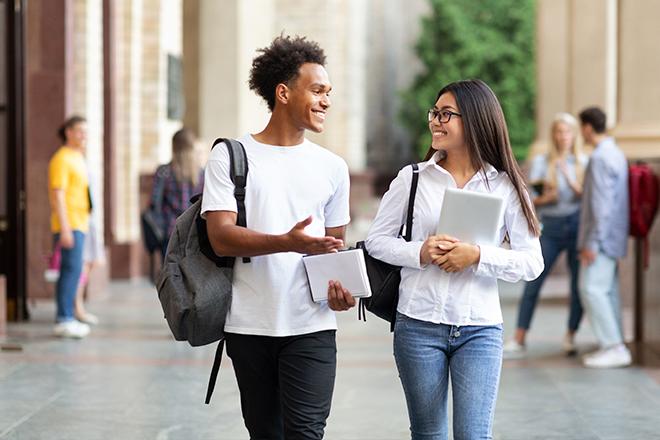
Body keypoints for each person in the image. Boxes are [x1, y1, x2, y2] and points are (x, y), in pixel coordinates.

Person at [366, 79, 543, 439]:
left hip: (480, 327)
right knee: (428, 433)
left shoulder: (507, 186)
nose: (435, 120)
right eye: (434, 112)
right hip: (418, 324)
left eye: (446, 114)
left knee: (474, 435)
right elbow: (376, 242)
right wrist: (420, 251)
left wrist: (478, 256)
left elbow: (531, 262)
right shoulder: (412, 179)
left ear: (476, 120)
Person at [201, 35, 355, 439]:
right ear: (283, 92)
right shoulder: (230, 156)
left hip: (312, 327)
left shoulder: (333, 168)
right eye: (317, 90)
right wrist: (288, 241)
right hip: (250, 326)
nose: (326, 101)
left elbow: (332, 249)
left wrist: (342, 291)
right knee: (265, 434)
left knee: (306, 434)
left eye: (329, 92)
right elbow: (221, 238)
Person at [504, 112, 588, 357]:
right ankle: (519, 337)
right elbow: (531, 200)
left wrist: (571, 180)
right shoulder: (542, 161)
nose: (563, 136)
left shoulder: (584, 161)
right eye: (558, 132)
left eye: (567, 131)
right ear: (553, 135)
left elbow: (588, 197)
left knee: (576, 285)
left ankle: (571, 335)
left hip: (575, 226)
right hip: (550, 226)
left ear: (574, 135)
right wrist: (546, 198)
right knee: (533, 281)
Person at [577, 106, 631, 368]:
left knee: (591, 289)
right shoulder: (616, 153)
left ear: (587, 127)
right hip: (613, 236)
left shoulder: (599, 158)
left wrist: (591, 243)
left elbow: (601, 205)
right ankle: (613, 344)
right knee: (605, 291)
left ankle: (614, 346)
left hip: (601, 239)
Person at [48, 115, 92, 338]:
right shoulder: (62, 159)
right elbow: (58, 194)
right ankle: (64, 318)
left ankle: (68, 316)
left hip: (80, 223)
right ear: (68, 132)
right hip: (69, 224)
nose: (84, 135)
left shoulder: (77, 157)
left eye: (86, 131)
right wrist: (65, 228)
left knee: (74, 271)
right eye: (79, 131)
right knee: (69, 271)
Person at [150, 128, 204, 258]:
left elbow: (154, 203)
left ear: (173, 146)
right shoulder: (202, 174)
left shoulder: (164, 172)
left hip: (169, 233)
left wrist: (160, 227)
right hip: (195, 233)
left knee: (171, 274)